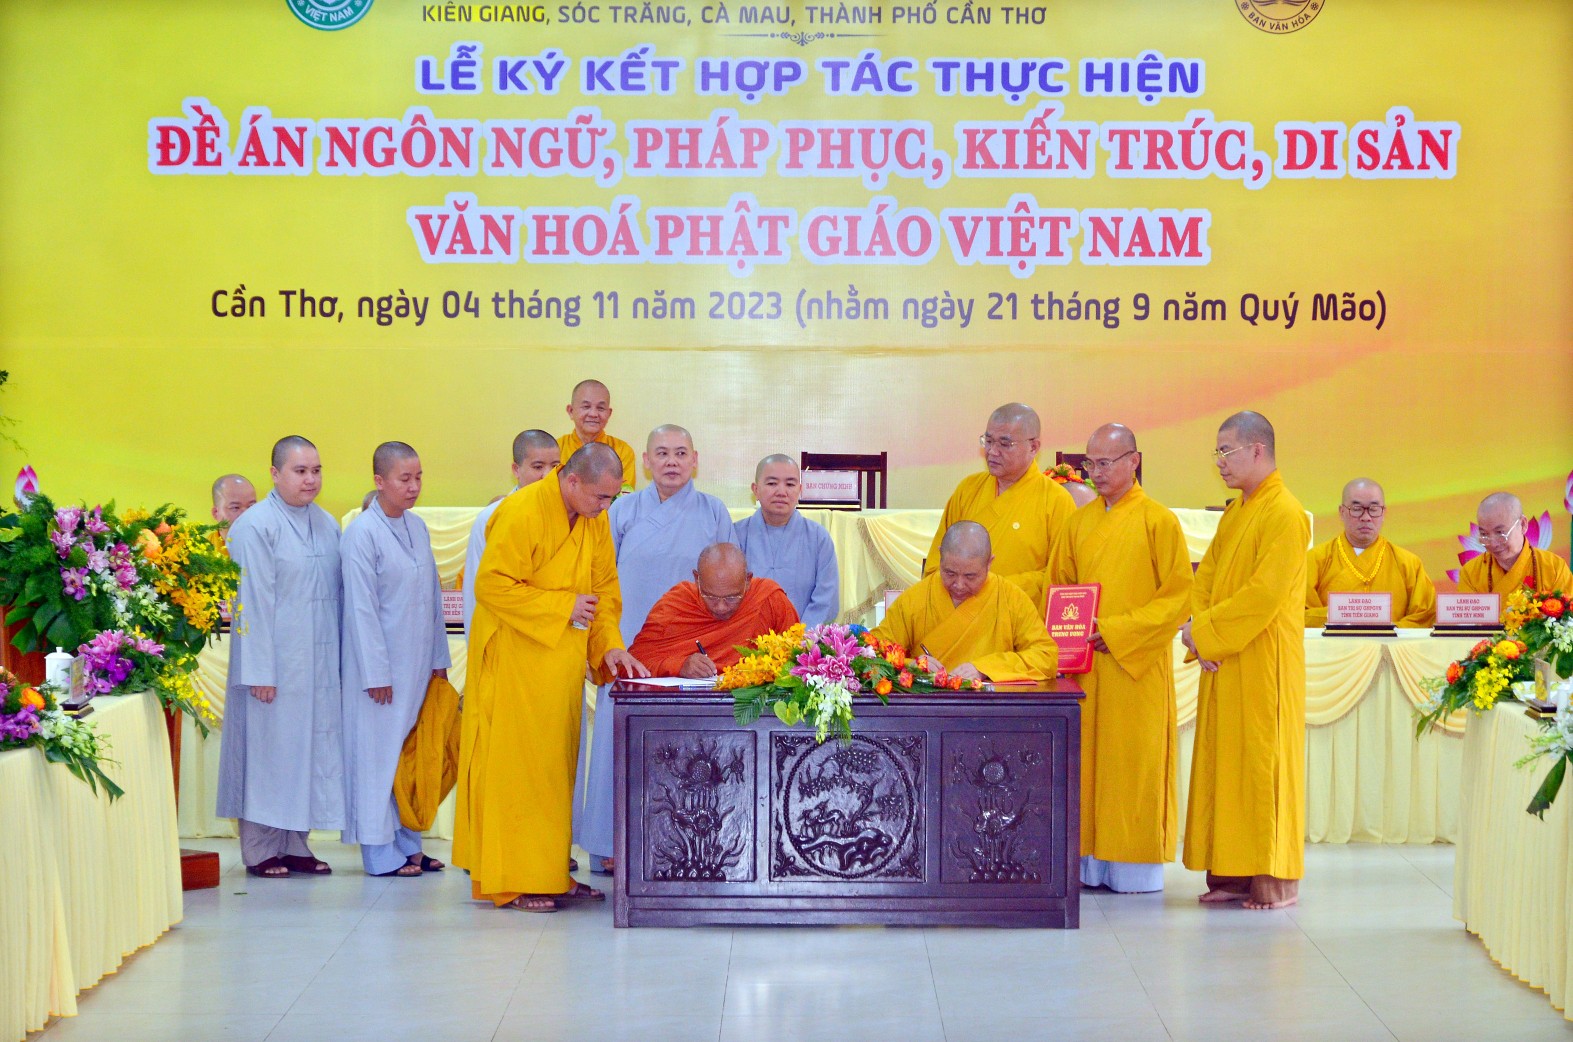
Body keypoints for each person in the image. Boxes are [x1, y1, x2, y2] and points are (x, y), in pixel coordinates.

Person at [453, 443, 648, 912]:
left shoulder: (593, 518)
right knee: (517, 771)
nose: (606, 507)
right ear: (572, 480)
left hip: (560, 661)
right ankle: (512, 879)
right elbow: (491, 584)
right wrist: (563, 606)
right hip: (515, 659)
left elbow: (603, 590)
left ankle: (550, 871)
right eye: (601, 497)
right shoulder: (522, 511)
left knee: (557, 770)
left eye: (612, 498)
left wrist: (609, 645)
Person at [573, 424, 739, 874]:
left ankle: (681, 847)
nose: (671, 461)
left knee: (687, 748)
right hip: (628, 643)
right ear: (645, 461)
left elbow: (730, 583)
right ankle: (607, 844)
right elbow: (599, 576)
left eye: (681, 453)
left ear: (695, 460)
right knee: (616, 739)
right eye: (662, 453)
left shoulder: (713, 512)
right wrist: (601, 640)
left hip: (693, 648)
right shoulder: (621, 510)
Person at [1046, 424, 1192, 894]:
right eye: (1090, 463)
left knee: (1132, 766)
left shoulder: (1158, 521)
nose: (1097, 472)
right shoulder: (1078, 523)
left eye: (1106, 462)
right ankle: (1087, 864)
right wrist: (1067, 640)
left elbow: (1178, 597)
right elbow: (1059, 589)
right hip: (1086, 667)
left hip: (1135, 668)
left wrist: (1120, 630)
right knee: (1087, 766)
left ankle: (1133, 869)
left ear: (1134, 461)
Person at [1180, 411, 1308, 911]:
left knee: (1261, 766)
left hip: (1262, 663)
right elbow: (1206, 579)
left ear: (1258, 450)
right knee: (1225, 766)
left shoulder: (1286, 513)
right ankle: (1232, 873)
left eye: (1226, 451)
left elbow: (1264, 595)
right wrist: (1200, 633)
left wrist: (1207, 634)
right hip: (1225, 658)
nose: (1219, 462)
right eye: (1217, 452)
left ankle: (1274, 880)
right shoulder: (1236, 512)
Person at [215, 436, 345, 878]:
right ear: (274, 474)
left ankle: (295, 844)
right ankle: (260, 849)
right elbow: (251, 603)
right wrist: (260, 671)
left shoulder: (327, 523)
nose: (310, 479)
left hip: (318, 665)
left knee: (306, 752)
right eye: (300, 471)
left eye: (316, 470)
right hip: (273, 666)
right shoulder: (254, 526)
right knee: (268, 755)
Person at [339, 442, 451, 878]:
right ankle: (379, 851)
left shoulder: (417, 526)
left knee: (408, 758)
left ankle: (408, 845)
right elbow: (361, 610)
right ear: (379, 481)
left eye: (418, 477)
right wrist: (376, 672)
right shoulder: (361, 534)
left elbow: (433, 597)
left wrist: (438, 657)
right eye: (405, 479)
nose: (414, 487)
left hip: (417, 665)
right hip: (379, 674)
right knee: (378, 759)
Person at [925, 403, 1075, 608]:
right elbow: (936, 563)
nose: (992, 452)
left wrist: (990, 590)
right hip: (961, 617)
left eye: (1005, 444)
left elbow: (1061, 579)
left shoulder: (1057, 500)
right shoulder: (968, 490)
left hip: (1020, 619)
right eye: (988, 441)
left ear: (1033, 447)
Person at [873, 521, 1058, 683]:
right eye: (950, 573)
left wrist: (984, 669)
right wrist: (910, 664)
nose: (959, 585)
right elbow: (872, 651)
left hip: (991, 706)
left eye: (970, 576)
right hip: (927, 703)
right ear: (940, 556)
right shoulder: (915, 598)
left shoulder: (1011, 598)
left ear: (989, 563)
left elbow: (1045, 656)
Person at [628, 543, 800, 677]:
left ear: (748, 581)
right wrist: (679, 666)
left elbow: (799, 660)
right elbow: (632, 664)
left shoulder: (768, 599)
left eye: (732, 598)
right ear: (697, 579)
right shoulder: (675, 605)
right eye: (710, 597)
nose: (721, 607)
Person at [462, 430, 561, 635]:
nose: (548, 475)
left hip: (552, 632)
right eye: (538, 467)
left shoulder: (565, 515)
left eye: (555, 466)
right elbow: (475, 588)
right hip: (503, 634)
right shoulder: (491, 517)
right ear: (516, 470)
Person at [1305, 479, 1436, 628]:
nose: (1366, 517)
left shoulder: (1408, 563)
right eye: (1356, 509)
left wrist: (1386, 631)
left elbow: (1424, 616)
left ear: (1384, 513)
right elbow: (1297, 613)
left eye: (1374, 509)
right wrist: (1342, 615)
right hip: (1333, 643)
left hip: (1389, 643)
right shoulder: (1315, 560)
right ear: (1342, 512)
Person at [735, 454, 839, 626]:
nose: (781, 492)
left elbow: (826, 600)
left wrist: (800, 637)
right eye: (772, 483)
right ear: (755, 490)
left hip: (802, 639)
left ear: (800, 490)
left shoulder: (818, 538)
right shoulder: (736, 535)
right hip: (747, 637)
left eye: (790, 484)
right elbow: (726, 595)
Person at [1457, 492, 1573, 609]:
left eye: (1500, 533)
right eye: (1484, 534)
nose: (1493, 543)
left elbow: (1567, 616)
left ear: (1523, 525)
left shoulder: (1554, 567)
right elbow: (1468, 619)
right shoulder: (1471, 572)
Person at [557, 379, 637, 492]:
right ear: (571, 411)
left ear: (609, 413)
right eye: (586, 407)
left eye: (600, 408)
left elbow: (623, 496)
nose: (593, 414)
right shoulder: (556, 449)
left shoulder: (622, 451)